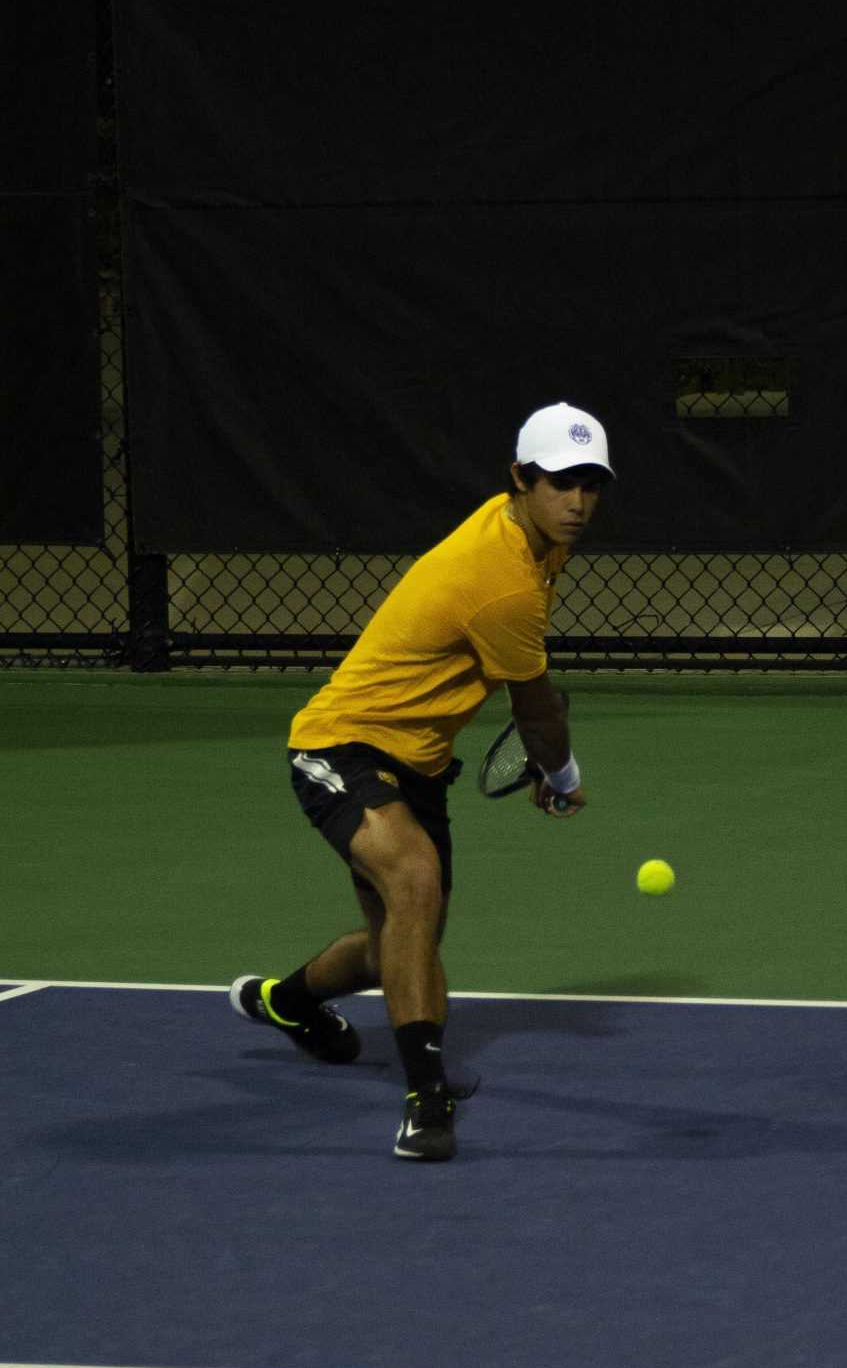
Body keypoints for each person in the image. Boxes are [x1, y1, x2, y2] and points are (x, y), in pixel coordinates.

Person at [229, 402, 611, 1162]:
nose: (577, 502)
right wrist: (559, 772)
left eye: (591, 484)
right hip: (340, 744)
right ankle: (425, 1099)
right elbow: (534, 704)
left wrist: (541, 750)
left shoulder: (534, 538)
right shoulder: (501, 578)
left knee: (399, 947)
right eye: (560, 483)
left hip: (419, 762)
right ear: (521, 480)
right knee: (415, 879)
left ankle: (287, 1002)